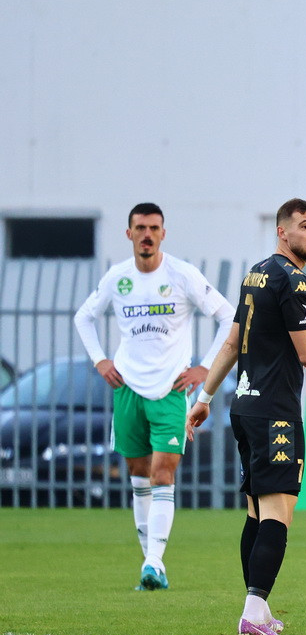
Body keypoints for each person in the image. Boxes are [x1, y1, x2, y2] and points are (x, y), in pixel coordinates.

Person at [185, 198, 306, 635]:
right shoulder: (295, 280)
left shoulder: (256, 273)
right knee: (278, 514)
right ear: (282, 232)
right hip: (275, 414)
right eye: (304, 226)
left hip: (245, 407)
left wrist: (205, 396)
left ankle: (260, 609)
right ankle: (252, 613)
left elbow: (231, 343)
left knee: (255, 512)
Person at [74, 202, 235, 590]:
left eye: (154, 228)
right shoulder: (118, 278)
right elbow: (83, 317)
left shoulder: (182, 274)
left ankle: (154, 562)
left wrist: (205, 368)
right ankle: (152, 565)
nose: (147, 235)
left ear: (163, 233)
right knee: (138, 475)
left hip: (170, 390)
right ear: (129, 233)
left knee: (163, 474)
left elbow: (229, 317)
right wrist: (100, 360)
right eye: (140, 228)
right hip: (127, 388)